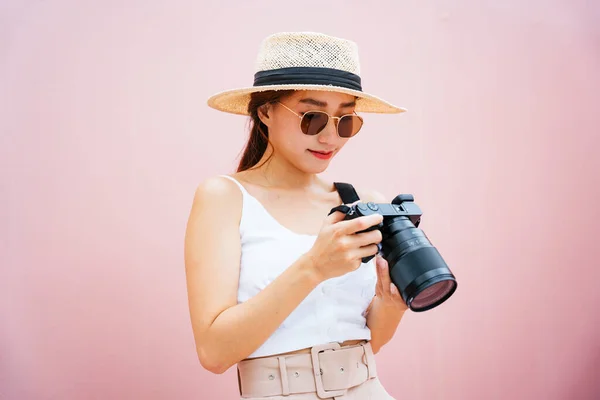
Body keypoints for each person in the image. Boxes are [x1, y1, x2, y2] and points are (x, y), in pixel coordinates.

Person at [184, 31, 409, 399]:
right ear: (265, 111)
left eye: (346, 120)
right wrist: (313, 268)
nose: (331, 138)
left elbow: (371, 341)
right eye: (312, 117)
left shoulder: (361, 203)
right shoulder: (225, 197)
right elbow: (214, 352)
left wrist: (391, 303)